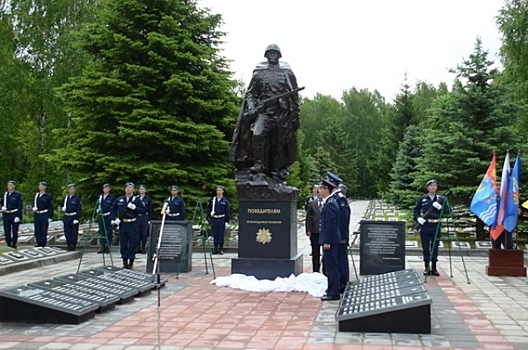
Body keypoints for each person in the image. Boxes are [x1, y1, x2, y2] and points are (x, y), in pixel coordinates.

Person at [229, 43, 301, 182]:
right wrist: (251, 108)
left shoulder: (287, 73)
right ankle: (258, 164)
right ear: (266, 55)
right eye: (270, 53)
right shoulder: (259, 74)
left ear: (279, 55)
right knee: (257, 133)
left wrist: (296, 117)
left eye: (275, 53)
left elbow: (294, 97)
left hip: (281, 114)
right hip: (264, 113)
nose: (272, 55)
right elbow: (251, 94)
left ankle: (275, 170)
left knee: (278, 143)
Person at [414, 179, 447, 276]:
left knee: (435, 247)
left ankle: (434, 267)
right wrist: (418, 218)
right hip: (425, 225)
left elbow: (447, 211)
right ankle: (426, 267)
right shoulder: (423, 198)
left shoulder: (441, 199)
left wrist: (441, 208)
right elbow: (416, 210)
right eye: (431, 185)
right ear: (428, 187)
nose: (433, 187)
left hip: (436, 225)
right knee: (425, 247)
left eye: (434, 185)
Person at [112, 182, 146, 269]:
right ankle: (124, 261)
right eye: (127, 187)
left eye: (130, 187)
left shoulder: (137, 200)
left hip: (132, 223)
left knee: (132, 243)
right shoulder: (119, 200)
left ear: (133, 189)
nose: (128, 189)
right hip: (123, 223)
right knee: (123, 243)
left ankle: (131, 262)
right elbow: (112, 210)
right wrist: (115, 219)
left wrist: (135, 208)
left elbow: (144, 210)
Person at [327, 171, 351, 293]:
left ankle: (342, 283)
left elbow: (343, 219)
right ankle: (341, 282)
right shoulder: (336, 198)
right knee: (339, 260)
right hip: (338, 236)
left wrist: (342, 236)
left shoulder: (340, 199)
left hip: (340, 236)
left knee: (340, 260)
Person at [319, 178, 341, 301]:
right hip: (331, 240)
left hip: (331, 241)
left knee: (331, 267)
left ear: (327, 189)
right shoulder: (330, 201)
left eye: (321, 188)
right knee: (330, 266)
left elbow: (331, 224)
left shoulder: (331, 203)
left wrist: (327, 241)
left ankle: (333, 292)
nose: (319, 191)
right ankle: (331, 289)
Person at [206, 185, 231, 255]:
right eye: (217, 190)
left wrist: (227, 221)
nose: (218, 191)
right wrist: (210, 213)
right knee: (215, 234)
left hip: (222, 219)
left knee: (221, 234)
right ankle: (215, 248)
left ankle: (221, 248)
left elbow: (227, 211)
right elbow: (208, 208)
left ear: (222, 191)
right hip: (214, 218)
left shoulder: (225, 201)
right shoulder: (213, 200)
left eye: (220, 190)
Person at [305, 185, 322, 272]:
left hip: (324, 231)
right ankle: (316, 269)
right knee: (315, 251)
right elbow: (308, 217)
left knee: (326, 252)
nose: (319, 194)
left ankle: (326, 269)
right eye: (317, 192)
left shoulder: (327, 203)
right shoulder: (312, 203)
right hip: (314, 230)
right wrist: (308, 230)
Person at [2, 180, 23, 249]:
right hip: (6, 214)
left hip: (14, 213)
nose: (9, 186)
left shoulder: (17, 195)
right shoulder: (5, 194)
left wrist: (18, 216)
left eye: (11, 185)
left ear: (14, 186)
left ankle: (14, 243)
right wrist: (2, 208)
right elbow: (1, 203)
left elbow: (20, 206)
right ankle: (8, 243)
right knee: (6, 230)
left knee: (14, 230)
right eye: (8, 185)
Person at [32, 181, 54, 247]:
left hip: (44, 213)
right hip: (37, 214)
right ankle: (38, 243)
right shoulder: (36, 195)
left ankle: (43, 243)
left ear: (45, 187)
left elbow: (50, 206)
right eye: (39, 186)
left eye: (42, 186)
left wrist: (50, 216)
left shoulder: (48, 196)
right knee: (37, 230)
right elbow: (34, 203)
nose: (40, 187)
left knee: (43, 230)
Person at [61, 183, 82, 251]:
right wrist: (63, 209)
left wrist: (77, 218)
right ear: (68, 190)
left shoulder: (77, 198)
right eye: (70, 189)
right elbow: (62, 205)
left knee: (74, 232)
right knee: (67, 232)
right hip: (67, 216)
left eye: (73, 189)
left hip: (73, 216)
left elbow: (79, 208)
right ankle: (69, 244)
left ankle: (73, 245)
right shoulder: (66, 198)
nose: (71, 190)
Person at [97, 183, 116, 254]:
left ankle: (108, 246)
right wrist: (97, 209)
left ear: (109, 189)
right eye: (104, 188)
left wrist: (113, 218)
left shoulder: (112, 197)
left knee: (109, 232)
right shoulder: (100, 197)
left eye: (107, 188)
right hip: (101, 216)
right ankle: (102, 246)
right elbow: (97, 205)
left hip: (108, 216)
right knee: (102, 232)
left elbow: (113, 208)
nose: (105, 190)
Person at [137, 184, 153, 254]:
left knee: (144, 233)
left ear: (145, 190)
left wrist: (149, 219)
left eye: (143, 189)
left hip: (144, 217)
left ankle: (143, 247)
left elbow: (149, 209)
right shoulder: (136, 198)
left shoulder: (148, 199)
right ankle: (137, 247)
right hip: (138, 216)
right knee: (137, 232)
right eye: (140, 189)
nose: (141, 190)